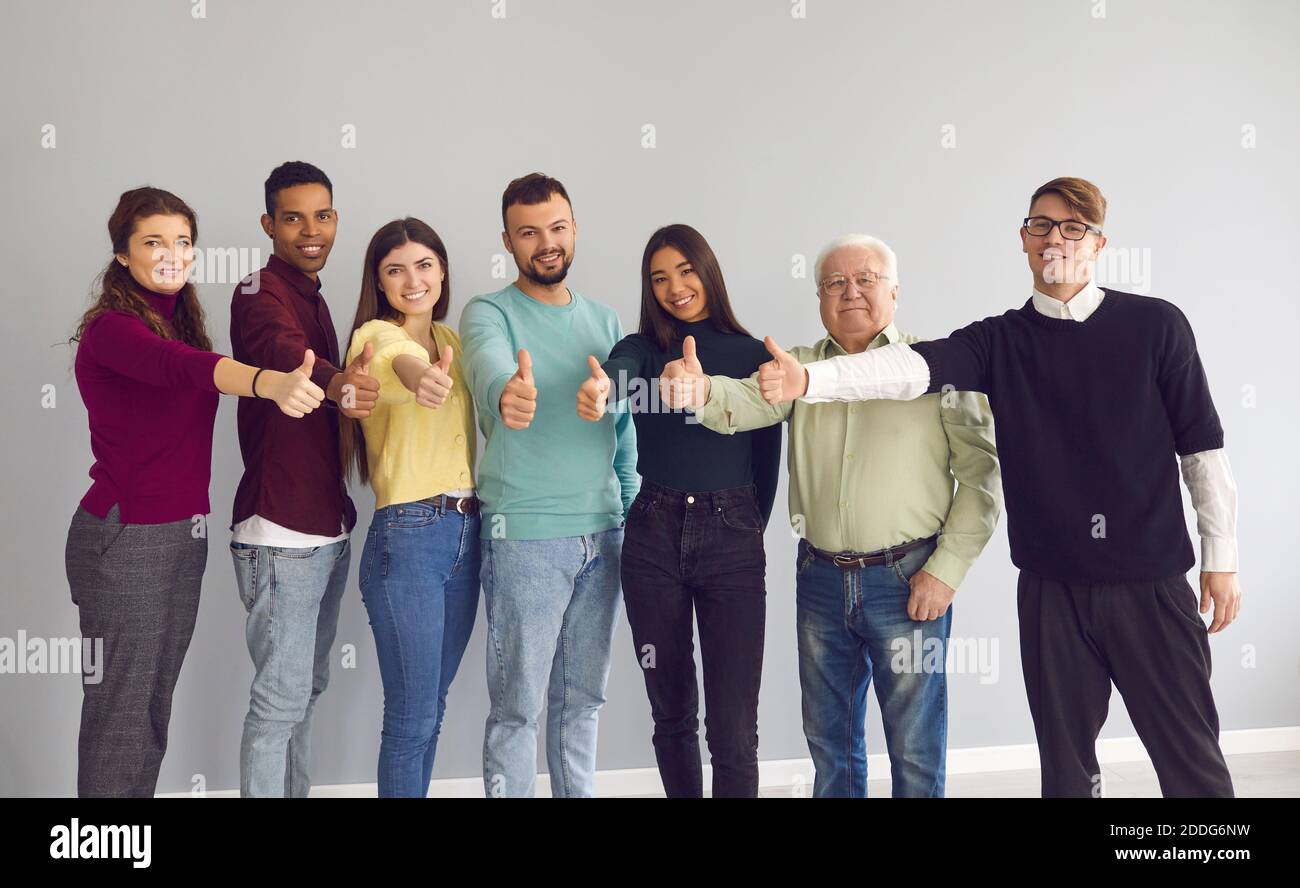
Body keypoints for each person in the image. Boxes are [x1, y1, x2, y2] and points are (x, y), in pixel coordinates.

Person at [756, 178, 1239, 798]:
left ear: (1099, 243)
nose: (1055, 238)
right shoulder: (998, 340)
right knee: (1066, 772)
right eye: (1041, 225)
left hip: (1150, 583)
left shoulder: (1156, 325)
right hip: (1049, 591)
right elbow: (909, 368)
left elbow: (1201, 448)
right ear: (1023, 239)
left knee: (1191, 760)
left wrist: (1220, 559)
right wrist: (808, 381)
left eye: (1074, 227)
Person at [676, 232, 1001, 797]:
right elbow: (742, 403)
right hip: (820, 580)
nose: (850, 292)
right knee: (830, 746)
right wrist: (699, 390)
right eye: (834, 283)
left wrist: (945, 571)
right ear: (820, 299)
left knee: (915, 748)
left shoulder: (936, 367)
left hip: (910, 579)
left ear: (894, 292)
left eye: (865, 279)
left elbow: (982, 477)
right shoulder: (794, 367)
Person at [66, 186, 322, 797]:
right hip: (127, 538)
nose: (173, 254)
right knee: (122, 719)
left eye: (183, 242)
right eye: (154, 242)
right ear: (122, 255)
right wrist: (268, 382)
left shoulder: (177, 318)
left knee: (148, 711)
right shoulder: (115, 330)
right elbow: (183, 368)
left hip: (179, 536)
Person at [576, 223, 781, 797]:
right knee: (671, 713)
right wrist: (600, 391)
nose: (675, 287)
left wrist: (741, 526)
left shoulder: (752, 355)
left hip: (733, 537)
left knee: (735, 727)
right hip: (652, 534)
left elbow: (767, 461)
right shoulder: (643, 350)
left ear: (708, 271)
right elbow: (615, 375)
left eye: (686, 271)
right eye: (659, 278)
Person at [460, 172, 638, 798]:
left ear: (574, 230)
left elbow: (624, 428)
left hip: (604, 533)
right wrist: (507, 392)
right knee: (518, 707)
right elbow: (488, 366)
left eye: (557, 228)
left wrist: (628, 508)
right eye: (529, 232)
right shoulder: (488, 311)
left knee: (582, 700)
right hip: (527, 537)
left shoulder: (606, 318)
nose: (546, 243)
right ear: (507, 240)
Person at [228, 161, 380, 798]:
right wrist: (341, 382)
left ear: (336, 221)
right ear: (268, 223)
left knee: (303, 694)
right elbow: (287, 353)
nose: (309, 230)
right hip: (280, 530)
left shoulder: (315, 296)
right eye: (292, 218)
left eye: (321, 216)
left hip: (325, 526)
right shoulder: (255, 289)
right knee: (280, 703)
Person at [341, 218, 480, 797]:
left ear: (442, 270)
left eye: (424, 265)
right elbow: (395, 362)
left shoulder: (453, 343)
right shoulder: (373, 336)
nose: (413, 279)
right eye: (395, 270)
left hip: (469, 532)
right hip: (410, 536)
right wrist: (422, 378)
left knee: (433, 708)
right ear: (379, 281)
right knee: (410, 718)